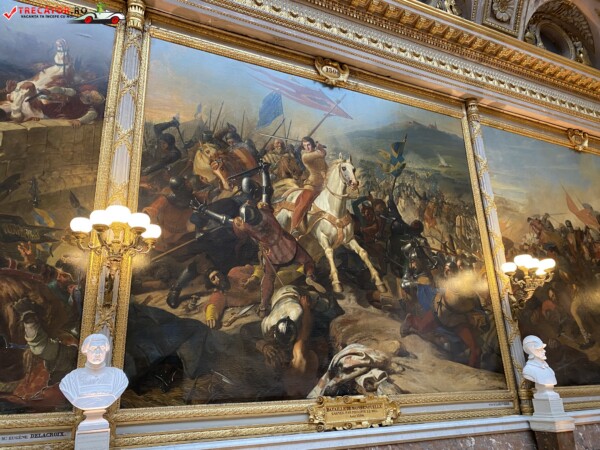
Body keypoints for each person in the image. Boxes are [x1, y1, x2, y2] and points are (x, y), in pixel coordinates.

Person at [195, 171, 326, 317]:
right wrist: (265, 171)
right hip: (288, 245)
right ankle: (310, 275)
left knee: (268, 278)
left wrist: (205, 211)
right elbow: (266, 189)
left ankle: (263, 306)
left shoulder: (245, 226)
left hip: (272, 254)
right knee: (307, 261)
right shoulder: (265, 210)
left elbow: (225, 220)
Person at [59, 334, 128, 410]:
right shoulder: (71, 379)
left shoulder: (118, 376)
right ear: (86, 350)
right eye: (93, 348)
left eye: (102, 348)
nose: (98, 353)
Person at [290, 137, 328, 233]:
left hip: (324, 183)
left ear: (312, 144)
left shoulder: (317, 154)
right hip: (312, 184)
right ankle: (294, 227)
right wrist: (320, 148)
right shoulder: (305, 156)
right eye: (304, 146)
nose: (307, 147)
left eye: (309, 145)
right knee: (304, 203)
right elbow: (322, 153)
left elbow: (324, 166)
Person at [522, 335, 559, 399]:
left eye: (543, 348)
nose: (544, 351)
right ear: (532, 351)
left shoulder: (549, 369)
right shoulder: (528, 370)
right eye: (540, 349)